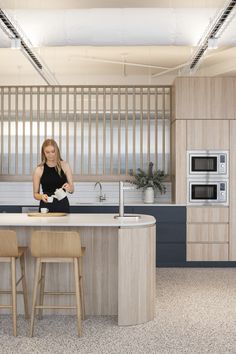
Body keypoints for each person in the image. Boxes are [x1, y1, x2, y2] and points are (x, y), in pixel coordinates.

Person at [33, 139, 74, 213]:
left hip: (62, 206)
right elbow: (35, 194)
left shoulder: (65, 165)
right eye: (47, 152)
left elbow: (72, 190)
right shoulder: (39, 169)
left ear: (57, 151)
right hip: (46, 207)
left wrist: (69, 187)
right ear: (43, 153)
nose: (50, 154)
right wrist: (41, 196)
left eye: (53, 151)